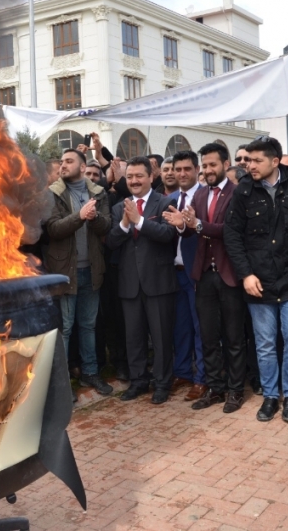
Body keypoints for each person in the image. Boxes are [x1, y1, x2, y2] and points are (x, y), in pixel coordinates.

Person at [224, 136, 288, 423]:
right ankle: (271, 397)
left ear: (275, 161)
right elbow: (232, 235)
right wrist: (245, 274)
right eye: (248, 160)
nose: (250, 166)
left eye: (257, 160)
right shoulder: (244, 191)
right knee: (264, 343)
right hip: (258, 280)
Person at [165, 143, 246, 414]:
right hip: (203, 275)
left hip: (229, 273)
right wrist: (181, 225)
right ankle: (214, 386)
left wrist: (196, 225)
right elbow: (191, 233)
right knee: (208, 335)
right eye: (207, 165)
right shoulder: (198, 198)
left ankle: (235, 390)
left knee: (233, 336)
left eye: (213, 165)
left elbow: (230, 230)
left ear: (225, 164)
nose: (209, 170)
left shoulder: (238, 193)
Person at [106, 156, 178, 405]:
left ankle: (162, 383)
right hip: (129, 283)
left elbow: (168, 234)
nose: (134, 181)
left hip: (158, 282)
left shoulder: (165, 202)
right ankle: (138, 381)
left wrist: (140, 221)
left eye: (139, 176)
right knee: (133, 337)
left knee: (160, 337)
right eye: (130, 177)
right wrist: (126, 223)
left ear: (151, 177)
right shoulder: (119, 208)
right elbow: (111, 242)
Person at [45, 149, 113, 399]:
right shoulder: (53, 193)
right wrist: (80, 216)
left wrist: (93, 219)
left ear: (83, 167)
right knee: (65, 329)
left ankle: (91, 372)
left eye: (69, 161)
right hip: (65, 272)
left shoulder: (98, 192)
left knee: (88, 326)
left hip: (92, 270)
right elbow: (53, 229)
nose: (63, 165)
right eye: (61, 161)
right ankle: (62, 385)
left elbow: (106, 226)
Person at [166, 151, 205, 401]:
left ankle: (202, 378)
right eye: (177, 169)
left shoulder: (205, 197)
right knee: (180, 327)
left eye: (186, 169)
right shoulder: (168, 199)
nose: (181, 173)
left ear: (196, 169)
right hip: (173, 273)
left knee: (201, 327)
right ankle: (182, 371)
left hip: (197, 272)